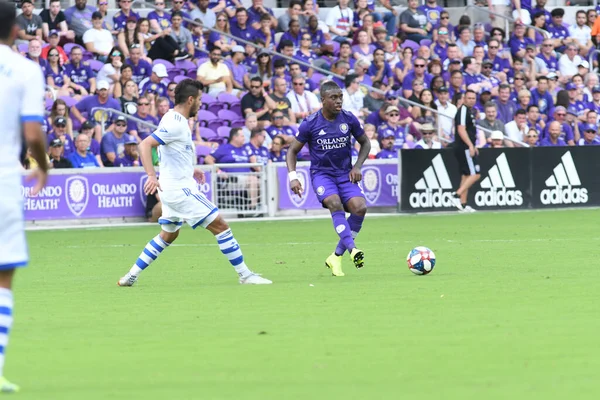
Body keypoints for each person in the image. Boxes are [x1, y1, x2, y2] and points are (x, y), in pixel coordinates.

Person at [117, 79, 271, 286]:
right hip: (180, 190)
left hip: (173, 188)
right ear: (190, 100)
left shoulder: (171, 118)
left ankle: (130, 276)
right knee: (221, 226)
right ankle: (245, 274)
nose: (200, 104)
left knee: (167, 236)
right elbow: (145, 145)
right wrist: (151, 176)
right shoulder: (175, 124)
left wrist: (191, 168)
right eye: (199, 99)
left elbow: (171, 151)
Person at [0, 6, 49, 392]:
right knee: (4, 277)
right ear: (17, 29)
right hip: (3, 182)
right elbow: (32, 133)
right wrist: (43, 166)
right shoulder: (26, 69)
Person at [286, 80, 370, 277]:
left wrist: (357, 166)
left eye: (340, 96)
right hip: (322, 175)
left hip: (345, 173)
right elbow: (292, 151)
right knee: (334, 203)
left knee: (360, 208)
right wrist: (293, 177)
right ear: (323, 100)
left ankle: (336, 256)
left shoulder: (348, 119)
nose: (339, 101)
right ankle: (353, 250)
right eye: (333, 97)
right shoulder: (310, 123)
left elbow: (365, 142)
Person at [451, 90, 480, 212]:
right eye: (469, 98)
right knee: (476, 174)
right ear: (464, 99)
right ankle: (456, 195)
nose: (471, 100)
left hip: (465, 146)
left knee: (466, 175)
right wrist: (470, 145)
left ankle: (463, 204)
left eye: (473, 98)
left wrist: (473, 145)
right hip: (463, 147)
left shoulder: (469, 111)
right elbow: (461, 130)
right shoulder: (463, 110)